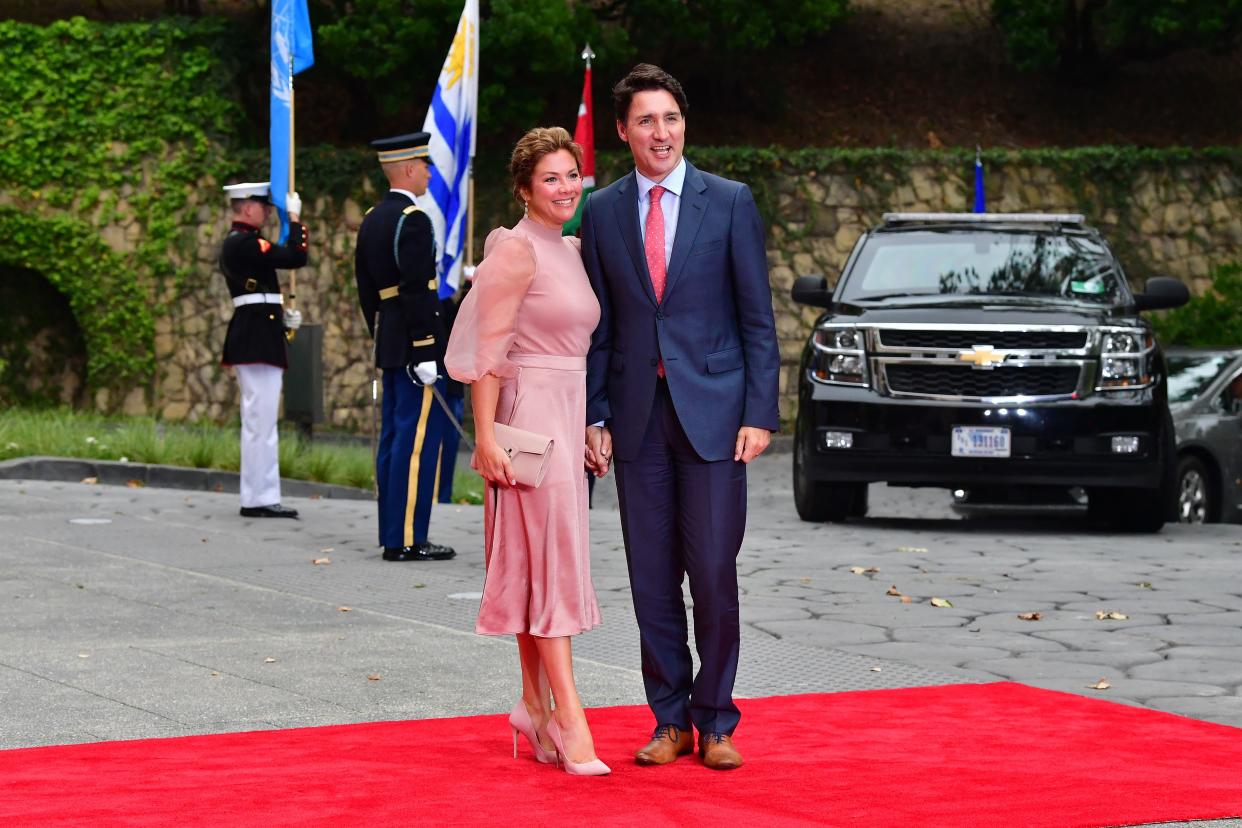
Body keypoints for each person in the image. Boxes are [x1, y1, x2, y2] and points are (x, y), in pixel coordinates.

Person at [581, 64, 781, 770]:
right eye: (645, 121)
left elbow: (758, 317)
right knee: (650, 576)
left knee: (713, 570)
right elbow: (599, 326)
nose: (659, 132)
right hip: (636, 421)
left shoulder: (728, 202)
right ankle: (669, 719)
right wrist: (593, 413)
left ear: (684, 124)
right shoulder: (602, 212)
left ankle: (717, 719)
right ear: (622, 131)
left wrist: (761, 411)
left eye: (669, 118)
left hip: (716, 418)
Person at [444, 126, 610, 776]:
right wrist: (484, 438)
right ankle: (570, 718)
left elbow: (580, 346)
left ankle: (532, 708)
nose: (565, 187)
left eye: (571, 175)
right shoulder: (514, 250)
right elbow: (488, 354)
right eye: (551, 178)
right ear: (523, 188)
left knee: (540, 564)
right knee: (549, 563)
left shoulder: (569, 247)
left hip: (567, 414)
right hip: (527, 417)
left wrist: (594, 424)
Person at [355, 132, 455, 562]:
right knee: (415, 444)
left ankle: (392, 534)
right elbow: (416, 289)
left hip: (391, 341)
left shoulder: (373, 216)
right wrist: (427, 347)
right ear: (410, 169)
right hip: (416, 347)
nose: (430, 173)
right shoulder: (413, 218)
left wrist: (385, 335)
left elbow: (366, 292)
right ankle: (410, 538)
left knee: (394, 440)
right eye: (426, 165)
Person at [219, 181, 308, 519]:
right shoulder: (243, 242)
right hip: (255, 339)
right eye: (263, 205)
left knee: (261, 420)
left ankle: (260, 495)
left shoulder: (243, 243)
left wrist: (285, 321)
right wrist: (296, 218)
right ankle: (258, 498)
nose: (268, 211)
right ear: (246, 207)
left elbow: (264, 295)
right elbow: (296, 256)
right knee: (261, 421)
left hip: (259, 334)